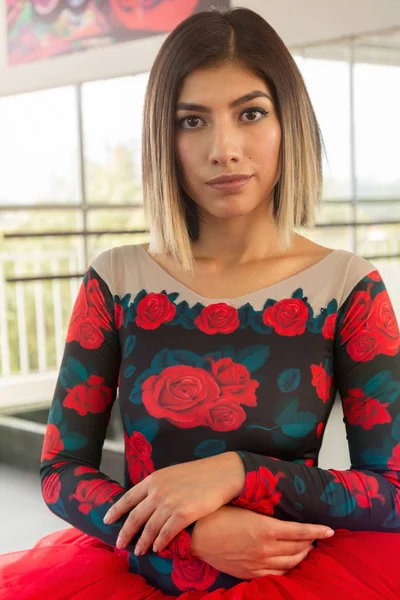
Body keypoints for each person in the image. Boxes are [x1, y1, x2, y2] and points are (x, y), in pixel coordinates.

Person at [1, 6, 399, 600]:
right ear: (164, 136)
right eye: (192, 121)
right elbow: (62, 474)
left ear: (289, 121)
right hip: (135, 580)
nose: (224, 149)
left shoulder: (347, 287)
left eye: (251, 113)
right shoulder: (116, 278)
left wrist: (239, 471)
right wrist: (184, 535)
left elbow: (391, 490)